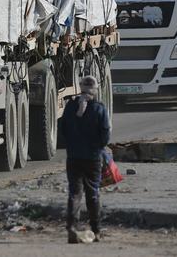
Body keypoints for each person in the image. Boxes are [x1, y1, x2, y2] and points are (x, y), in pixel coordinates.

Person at [60, 75, 111, 243]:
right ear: (95, 90)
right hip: (93, 158)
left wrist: (73, 144)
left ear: (81, 88)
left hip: (73, 157)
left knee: (75, 193)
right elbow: (105, 135)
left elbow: (63, 129)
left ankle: (71, 228)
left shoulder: (70, 107)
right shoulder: (99, 109)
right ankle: (95, 230)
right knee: (93, 193)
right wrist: (98, 147)